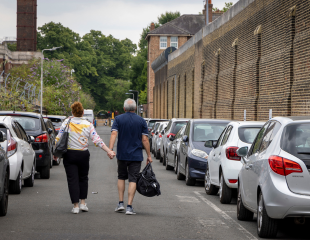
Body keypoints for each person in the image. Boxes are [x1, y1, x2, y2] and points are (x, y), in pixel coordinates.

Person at [56, 102, 115, 214]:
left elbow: (58, 139)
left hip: (70, 154)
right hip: (83, 154)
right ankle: (83, 203)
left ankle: (76, 206)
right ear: (83, 112)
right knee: (83, 178)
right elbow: (97, 140)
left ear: (72, 112)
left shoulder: (66, 123)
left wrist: (55, 153)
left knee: (72, 180)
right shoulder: (88, 124)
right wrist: (109, 151)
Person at [109, 98, 152, 215]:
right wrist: (149, 155)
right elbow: (145, 139)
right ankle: (129, 206)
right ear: (135, 108)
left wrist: (110, 149)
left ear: (124, 108)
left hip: (122, 154)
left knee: (121, 177)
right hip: (136, 155)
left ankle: (120, 203)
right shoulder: (141, 121)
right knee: (133, 178)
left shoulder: (118, 119)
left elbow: (114, 133)